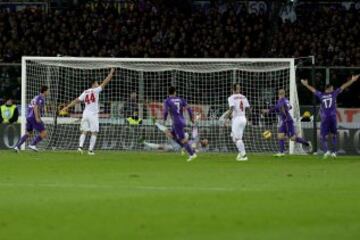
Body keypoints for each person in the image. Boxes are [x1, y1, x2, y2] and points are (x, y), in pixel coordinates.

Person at [301, 74, 359, 158]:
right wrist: (352, 80)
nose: (333, 89)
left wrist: (306, 85)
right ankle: (334, 152)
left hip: (325, 117)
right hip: (333, 117)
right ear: (328, 89)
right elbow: (343, 86)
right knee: (333, 135)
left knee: (322, 136)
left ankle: (326, 151)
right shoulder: (334, 93)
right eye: (332, 88)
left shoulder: (321, 95)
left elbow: (313, 90)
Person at [61, 68, 115, 155]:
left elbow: (76, 100)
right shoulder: (96, 90)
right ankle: (90, 150)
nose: (98, 84)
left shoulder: (85, 92)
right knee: (94, 132)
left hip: (85, 113)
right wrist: (111, 73)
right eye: (97, 83)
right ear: (94, 84)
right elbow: (106, 81)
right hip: (93, 114)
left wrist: (66, 107)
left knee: (84, 131)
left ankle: (80, 147)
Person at [262, 89, 312, 157]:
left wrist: (268, 110)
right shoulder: (286, 100)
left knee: (292, 138)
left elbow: (279, 107)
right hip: (285, 121)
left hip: (287, 121)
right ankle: (281, 152)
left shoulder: (281, 101)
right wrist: (270, 110)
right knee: (280, 136)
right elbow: (289, 107)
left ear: (278, 94)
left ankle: (307, 143)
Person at [163, 86, 197, 161]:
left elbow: (165, 111)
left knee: (183, 139)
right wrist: (191, 118)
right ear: (175, 92)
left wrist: (164, 119)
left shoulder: (167, 101)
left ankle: (192, 154)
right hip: (181, 120)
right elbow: (189, 108)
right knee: (171, 134)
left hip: (176, 122)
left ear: (168, 93)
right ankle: (185, 147)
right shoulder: (181, 99)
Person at [14, 86, 49, 152]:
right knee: (44, 133)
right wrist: (37, 118)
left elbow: (30, 106)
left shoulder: (35, 97)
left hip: (29, 117)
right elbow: (36, 107)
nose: (48, 92)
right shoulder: (40, 98)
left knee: (29, 133)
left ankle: (17, 146)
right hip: (33, 117)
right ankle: (33, 144)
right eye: (48, 91)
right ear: (45, 91)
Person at [222, 83, 250, 161]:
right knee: (234, 136)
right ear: (238, 89)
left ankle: (244, 156)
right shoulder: (244, 97)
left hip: (237, 119)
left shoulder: (231, 97)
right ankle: (240, 152)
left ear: (232, 89)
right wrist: (247, 118)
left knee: (237, 139)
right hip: (243, 118)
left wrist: (226, 119)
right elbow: (249, 109)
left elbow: (231, 108)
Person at [143, 121, 209, 153]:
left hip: (177, 147)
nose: (205, 140)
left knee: (162, 147)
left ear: (204, 144)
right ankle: (156, 123)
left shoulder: (199, 148)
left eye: (206, 142)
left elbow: (193, 150)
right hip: (178, 143)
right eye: (205, 140)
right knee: (163, 143)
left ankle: (145, 143)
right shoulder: (197, 139)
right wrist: (195, 124)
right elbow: (195, 130)